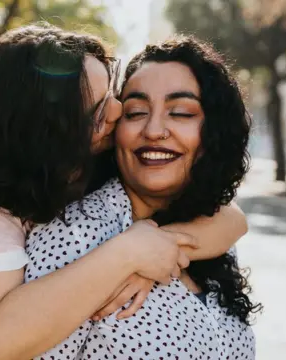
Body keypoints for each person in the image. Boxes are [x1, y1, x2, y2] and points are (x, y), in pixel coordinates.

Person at [0, 24, 248, 360]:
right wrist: (127, 254)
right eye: (98, 112)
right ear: (51, 140)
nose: (118, 113)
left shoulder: (108, 164)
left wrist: (162, 244)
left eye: (113, 96)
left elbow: (233, 220)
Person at [25, 35, 261, 359]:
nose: (153, 130)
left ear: (214, 133)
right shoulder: (76, 237)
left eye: (179, 112)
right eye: (135, 112)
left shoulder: (213, 232)